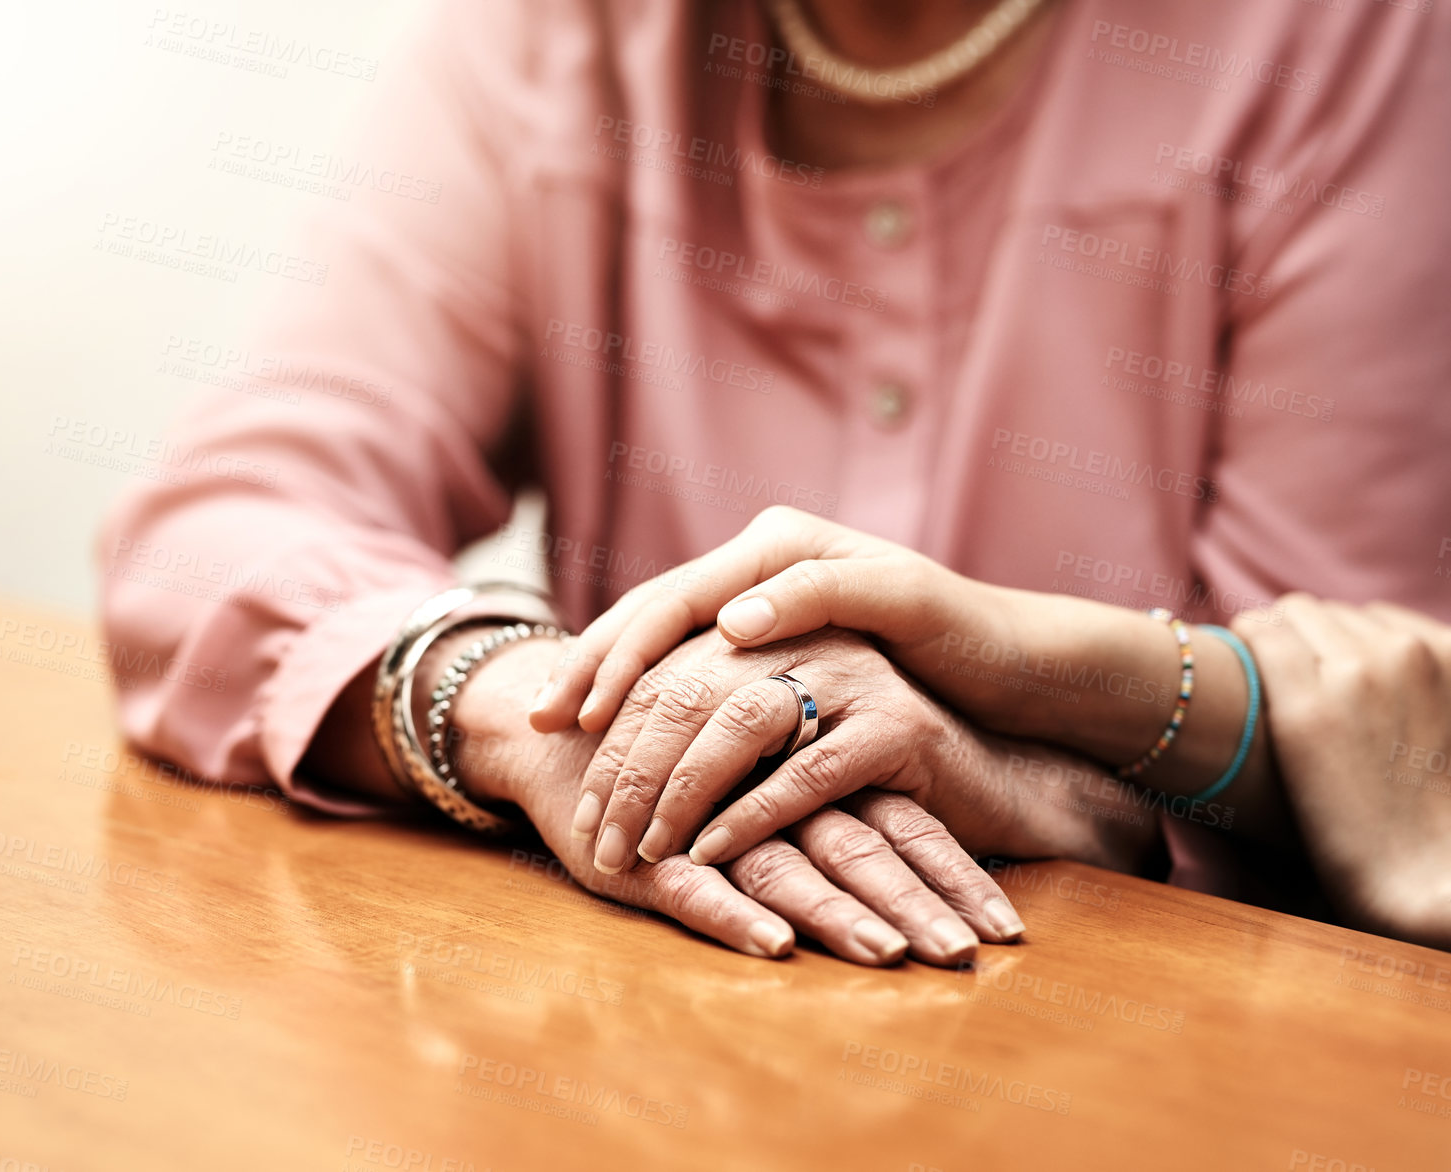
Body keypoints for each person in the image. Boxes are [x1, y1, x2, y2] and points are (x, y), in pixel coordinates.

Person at [98, 0, 1451, 962]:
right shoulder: (554, 32)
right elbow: (218, 523)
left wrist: (1027, 776)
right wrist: (536, 717)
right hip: (669, 1030)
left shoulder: (1358, 41)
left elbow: (1374, 749)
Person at [534, 507, 1451, 947]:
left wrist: (1012, 654)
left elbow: (1372, 703)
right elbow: (378, 507)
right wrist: (537, 721)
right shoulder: (552, 127)